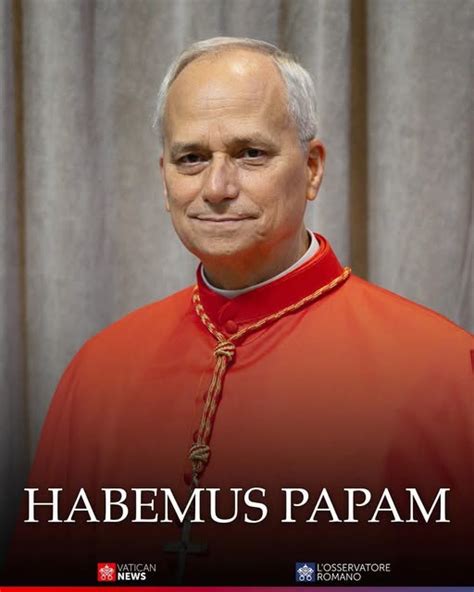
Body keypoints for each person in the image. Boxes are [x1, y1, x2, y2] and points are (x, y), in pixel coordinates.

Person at [5, 37, 473, 586]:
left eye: (251, 153)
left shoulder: (442, 370)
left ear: (312, 168)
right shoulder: (98, 369)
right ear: (164, 178)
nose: (217, 188)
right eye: (191, 158)